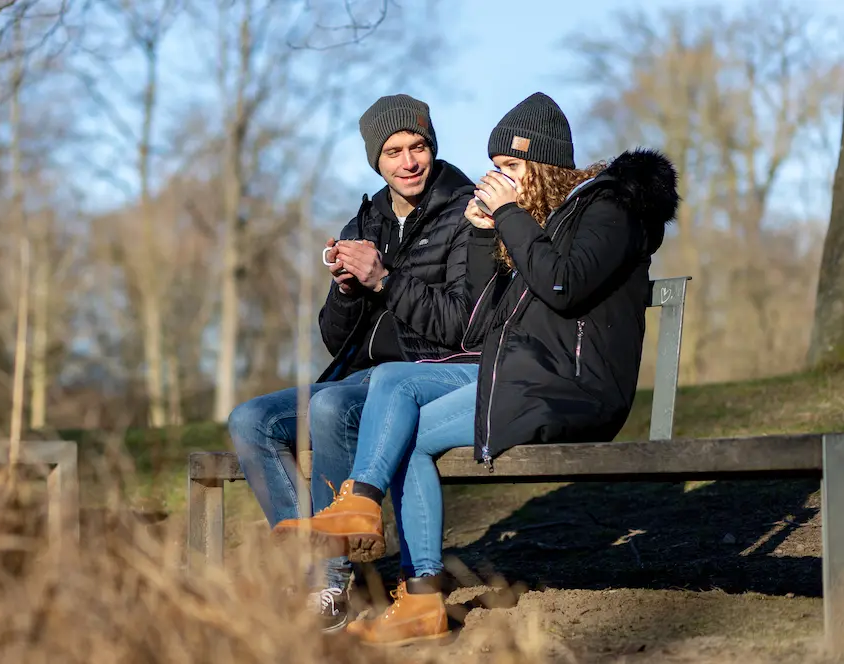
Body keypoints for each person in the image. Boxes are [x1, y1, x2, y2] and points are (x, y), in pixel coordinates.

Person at [273, 92, 679, 645]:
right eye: (496, 170)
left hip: (573, 388)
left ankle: (399, 568)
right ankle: (371, 518)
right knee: (393, 383)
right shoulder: (540, 219)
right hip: (522, 375)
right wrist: (487, 234)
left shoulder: (608, 209)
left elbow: (562, 286)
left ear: (540, 164)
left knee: (403, 425)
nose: (498, 180)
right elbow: (479, 320)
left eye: (510, 168)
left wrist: (507, 215)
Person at [227, 93, 477, 632]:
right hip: (360, 372)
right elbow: (333, 338)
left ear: (433, 147)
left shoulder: (467, 212)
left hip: (423, 373)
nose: (408, 162)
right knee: (249, 421)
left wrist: (383, 280)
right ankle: (315, 565)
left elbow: (459, 326)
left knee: (333, 407)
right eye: (392, 152)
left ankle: (329, 583)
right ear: (376, 160)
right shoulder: (369, 218)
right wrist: (345, 289)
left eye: (418, 147)